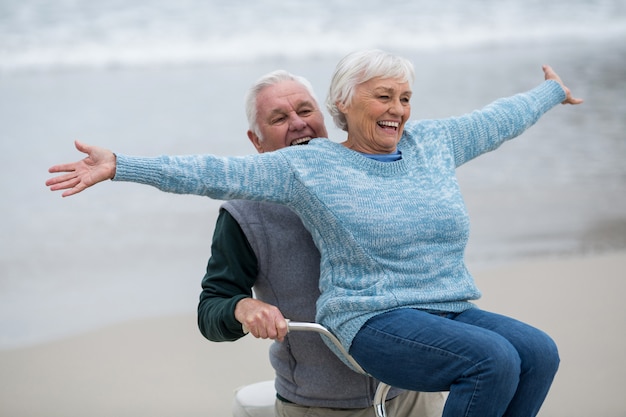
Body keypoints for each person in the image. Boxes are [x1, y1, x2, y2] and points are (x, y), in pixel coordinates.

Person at [46, 49, 583, 417]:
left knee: (538, 352)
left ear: (323, 113)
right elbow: (207, 172)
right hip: (346, 356)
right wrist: (120, 165)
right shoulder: (288, 178)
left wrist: (550, 92)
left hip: (428, 338)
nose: (397, 109)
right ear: (344, 106)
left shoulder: (431, 143)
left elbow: (497, 119)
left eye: (404, 97)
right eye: (280, 119)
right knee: (494, 360)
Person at [199, 69, 445, 416]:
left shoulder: (376, 170)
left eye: (305, 110)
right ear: (256, 141)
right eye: (279, 118)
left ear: (326, 117)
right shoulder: (244, 214)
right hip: (315, 405)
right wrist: (243, 308)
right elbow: (211, 308)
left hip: (414, 391)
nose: (298, 123)